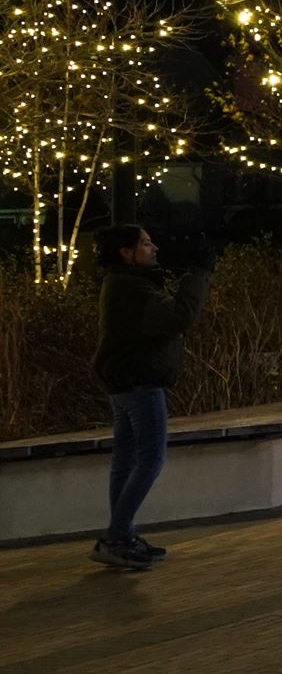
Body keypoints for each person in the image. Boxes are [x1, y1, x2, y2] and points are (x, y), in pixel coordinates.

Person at [91, 225, 210, 571]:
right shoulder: (131, 288)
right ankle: (116, 537)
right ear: (126, 252)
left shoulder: (122, 283)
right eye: (145, 243)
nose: (154, 247)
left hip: (124, 382)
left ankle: (122, 536)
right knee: (150, 459)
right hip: (140, 382)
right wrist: (198, 274)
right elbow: (180, 317)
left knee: (126, 460)